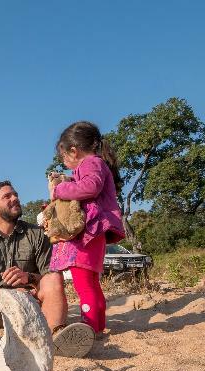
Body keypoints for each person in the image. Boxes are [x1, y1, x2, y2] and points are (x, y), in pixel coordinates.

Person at [0, 181, 95, 357]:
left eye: (15, 194)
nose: (15, 198)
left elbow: (49, 276)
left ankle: (54, 336)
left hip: (31, 306)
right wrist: (4, 294)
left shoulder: (37, 233)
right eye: (7, 196)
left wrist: (29, 278)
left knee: (54, 278)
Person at [47, 121, 126, 334]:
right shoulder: (96, 165)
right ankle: (97, 326)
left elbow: (90, 187)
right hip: (97, 232)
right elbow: (89, 184)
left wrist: (61, 189)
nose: (64, 162)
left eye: (63, 157)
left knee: (83, 283)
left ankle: (88, 328)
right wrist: (70, 180)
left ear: (73, 150)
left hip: (90, 232)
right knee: (91, 282)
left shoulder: (91, 163)